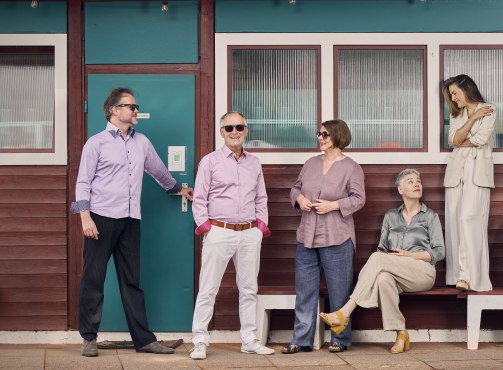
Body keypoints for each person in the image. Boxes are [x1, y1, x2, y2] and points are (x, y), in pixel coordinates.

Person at [72, 87, 193, 357]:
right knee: (93, 279)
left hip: (130, 220)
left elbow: (158, 171)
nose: (136, 110)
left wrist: (178, 189)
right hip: (100, 220)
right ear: (115, 110)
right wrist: (85, 217)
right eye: (131, 106)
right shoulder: (96, 143)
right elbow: (82, 182)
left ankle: (144, 340)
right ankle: (89, 338)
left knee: (131, 282)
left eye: (136, 107)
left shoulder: (142, 142)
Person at [319, 169, 445, 354]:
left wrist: (411, 256)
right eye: (410, 181)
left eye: (418, 181)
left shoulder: (430, 216)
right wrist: (391, 260)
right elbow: (382, 250)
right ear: (400, 189)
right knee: (383, 279)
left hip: (422, 272)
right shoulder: (390, 217)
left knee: (377, 259)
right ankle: (401, 334)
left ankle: (345, 312)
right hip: (396, 271)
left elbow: (439, 251)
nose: (416, 184)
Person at [188, 112, 274, 360]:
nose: (234, 132)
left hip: (249, 234)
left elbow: (261, 198)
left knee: (248, 289)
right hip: (219, 231)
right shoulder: (210, 161)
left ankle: (249, 340)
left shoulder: (254, 162)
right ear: (221, 132)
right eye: (229, 128)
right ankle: (200, 341)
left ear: (246, 130)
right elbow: (200, 199)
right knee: (208, 289)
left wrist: (260, 227)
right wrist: (206, 227)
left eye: (239, 127)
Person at [282, 119, 366, 354]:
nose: (320, 138)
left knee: (339, 291)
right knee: (305, 291)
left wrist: (334, 205)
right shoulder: (310, 163)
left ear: (338, 136)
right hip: (306, 236)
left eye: (325, 134)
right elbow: (295, 189)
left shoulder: (351, 167)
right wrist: (299, 199)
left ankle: (340, 339)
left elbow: (359, 198)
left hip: (337, 237)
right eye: (319, 134)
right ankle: (302, 340)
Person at [441, 74, 495, 292]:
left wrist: (461, 140)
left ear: (466, 89)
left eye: (455, 93)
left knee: (469, 218)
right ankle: (457, 276)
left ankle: (470, 275)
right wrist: (472, 120)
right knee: (455, 220)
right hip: (456, 171)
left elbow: (480, 140)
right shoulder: (458, 113)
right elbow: (452, 141)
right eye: (451, 95)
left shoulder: (489, 108)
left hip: (478, 170)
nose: (453, 98)